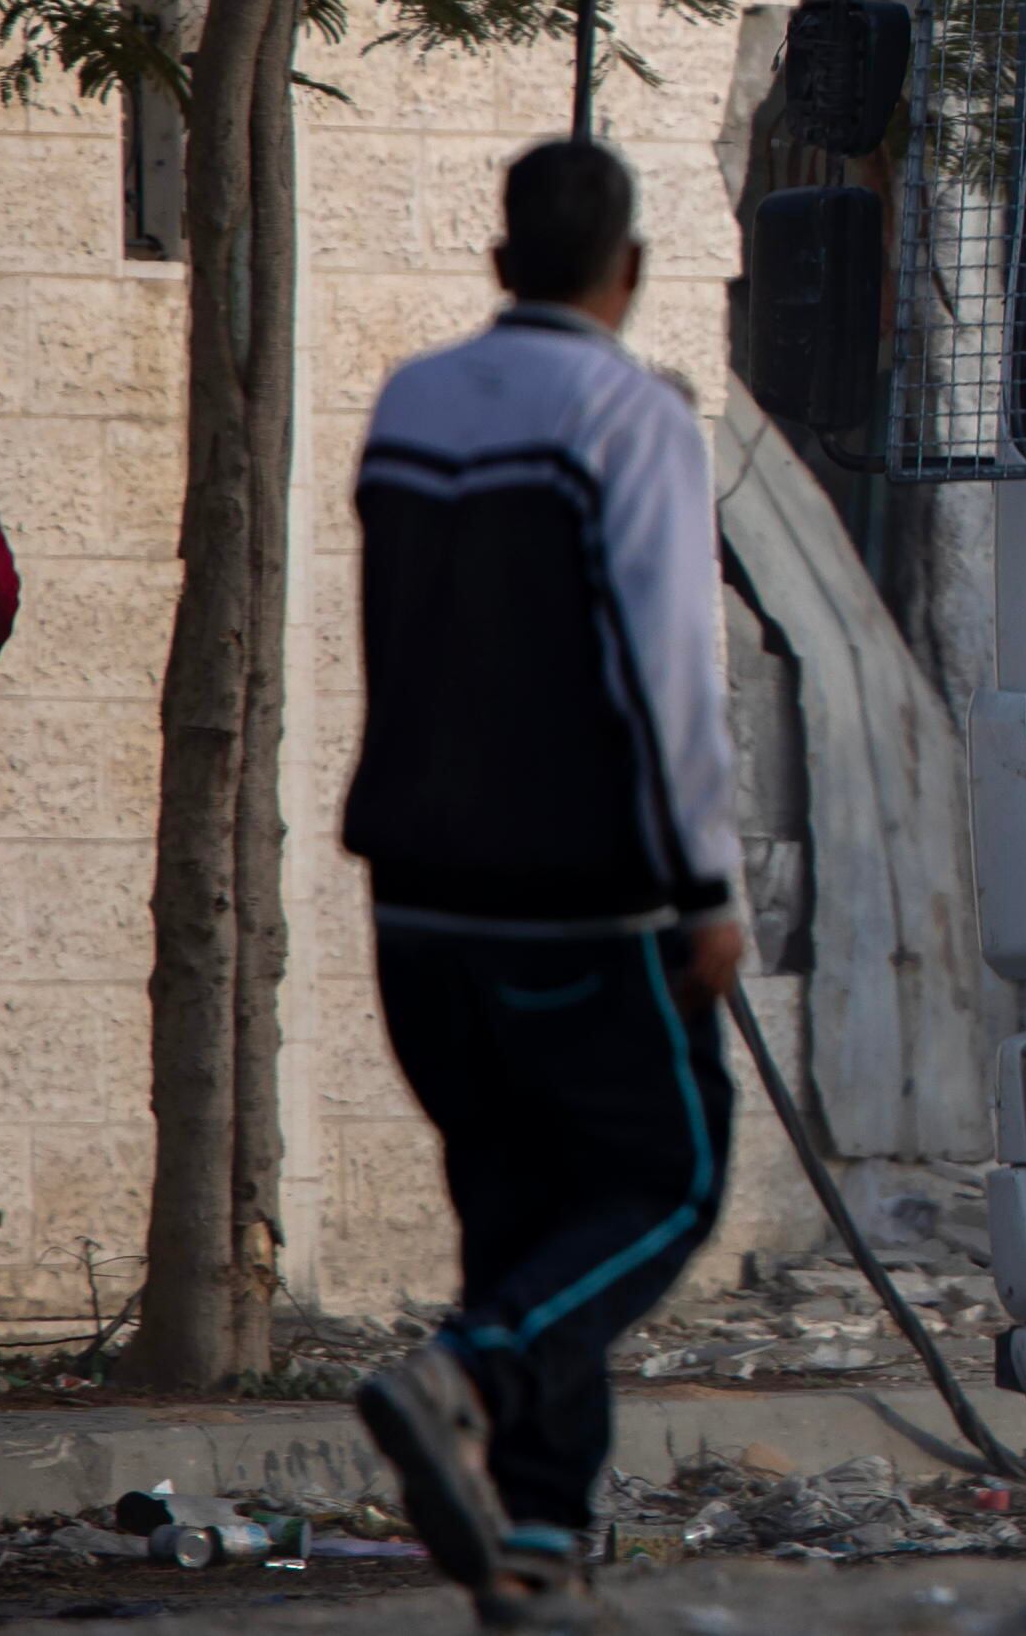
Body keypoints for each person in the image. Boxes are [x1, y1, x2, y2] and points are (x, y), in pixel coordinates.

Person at [347, 141, 739, 1630]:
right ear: (625, 270)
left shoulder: (410, 401)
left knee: (520, 1208)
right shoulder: (629, 416)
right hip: (579, 903)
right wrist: (703, 883)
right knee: (670, 1175)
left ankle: (539, 1536)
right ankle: (472, 1373)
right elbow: (667, 674)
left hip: (416, 903)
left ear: (501, 255)